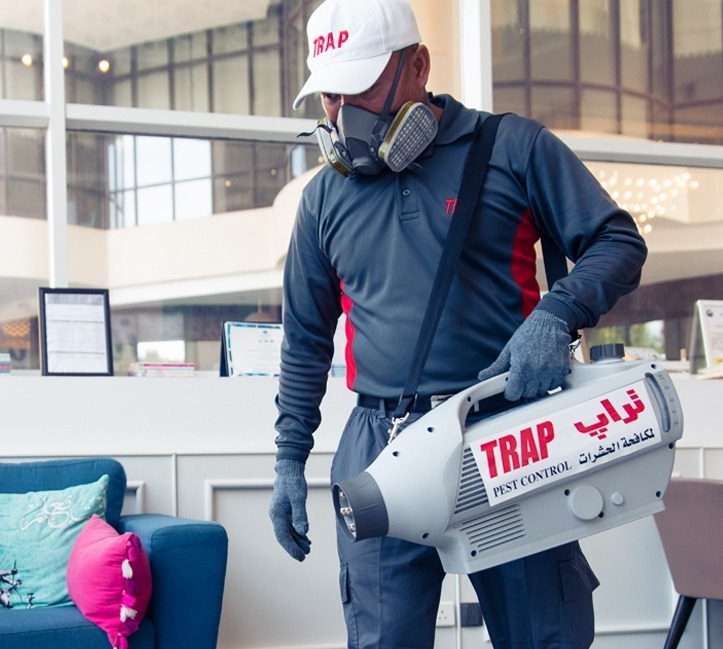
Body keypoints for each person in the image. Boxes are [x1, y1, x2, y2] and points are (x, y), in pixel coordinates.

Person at [265, 0, 648, 647]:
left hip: (505, 430)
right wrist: (287, 460)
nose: (341, 113)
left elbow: (617, 241)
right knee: (384, 637)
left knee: (542, 634)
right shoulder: (323, 198)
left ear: (418, 66)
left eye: (359, 88)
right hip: (381, 441)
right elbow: (305, 341)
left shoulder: (512, 148)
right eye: (330, 94)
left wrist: (556, 315)